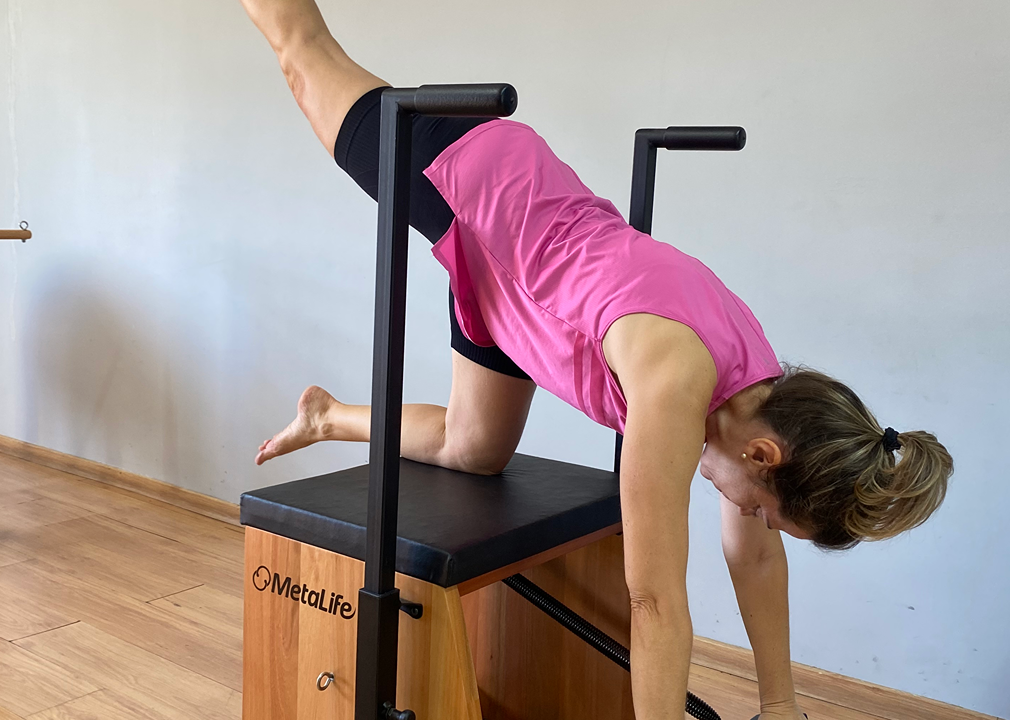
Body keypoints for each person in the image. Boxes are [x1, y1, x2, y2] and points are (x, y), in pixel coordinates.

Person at [237, 1, 954, 718]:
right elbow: (655, 601)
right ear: (765, 456)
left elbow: (758, 557)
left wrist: (781, 704)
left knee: (473, 448)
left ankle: (327, 416)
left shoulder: (762, 402)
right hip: (474, 185)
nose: (751, 519)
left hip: (515, 297)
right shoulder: (677, 386)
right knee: (303, 53)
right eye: (763, 509)